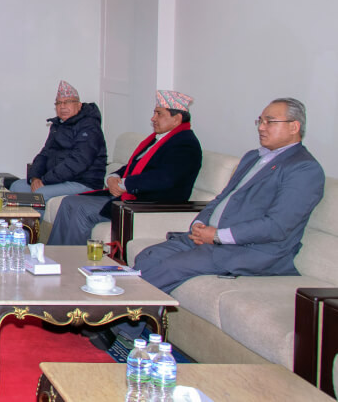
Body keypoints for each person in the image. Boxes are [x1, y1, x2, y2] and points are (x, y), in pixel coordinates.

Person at [134, 98, 324, 293]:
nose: (261, 127)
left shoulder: (303, 168)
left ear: (294, 127)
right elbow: (223, 197)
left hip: (250, 251)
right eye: (260, 121)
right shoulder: (253, 157)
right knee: (148, 257)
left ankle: (126, 310)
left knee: (168, 268)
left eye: (270, 122)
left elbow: (277, 226)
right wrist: (199, 224)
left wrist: (218, 236)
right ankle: (144, 311)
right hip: (211, 239)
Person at [48, 90, 203, 245]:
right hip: (131, 197)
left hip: (147, 204)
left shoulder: (185, 144)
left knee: (81, 209)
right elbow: (132, 166)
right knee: (69, 202)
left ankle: (72, 257)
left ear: (177, 119)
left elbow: (164, 178)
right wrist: (113, 177)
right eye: (154, 113)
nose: (153, 118)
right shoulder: (158, 140)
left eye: (159, 114)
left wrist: (125, 184)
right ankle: (53, 256)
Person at [11, 80, 108, 199]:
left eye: (68, 102)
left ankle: (34, 212)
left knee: (39, 194)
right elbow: (44, 154)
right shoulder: (57, 126)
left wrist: (45, 180)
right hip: (56, 180)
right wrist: (35, 177)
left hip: (83, 182)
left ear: (79, 105)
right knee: (16, 187)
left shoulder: (90, 126)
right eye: (58, 103)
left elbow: (79, 161)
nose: (62, 106)